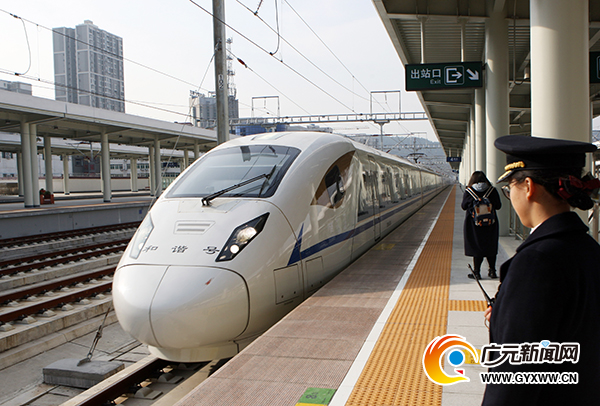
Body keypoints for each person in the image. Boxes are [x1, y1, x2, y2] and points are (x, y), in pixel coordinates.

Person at [481, 135, 600, 405]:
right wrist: (505, 313)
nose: (510, 197)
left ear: (528, 186)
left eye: (509, 188)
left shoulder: (536, 261)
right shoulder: (588, 248)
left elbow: (515, 376)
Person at [462, 171, 502, 279]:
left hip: (474, 224)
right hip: (490, 223)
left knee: (477, 246)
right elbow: (498, 206)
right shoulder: (492, 190)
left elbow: (464, 206)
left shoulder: (469, 191)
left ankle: (477, 272)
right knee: (490, 245)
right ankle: (492, 271)